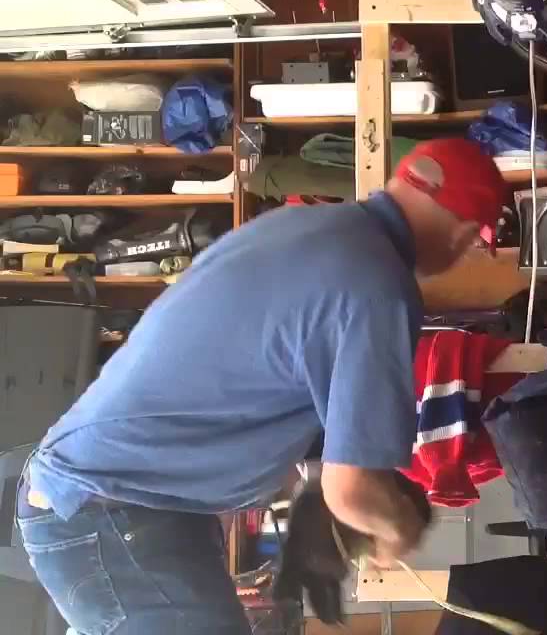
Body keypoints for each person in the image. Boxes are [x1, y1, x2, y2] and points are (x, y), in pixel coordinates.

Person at [17, 138, 509, 635]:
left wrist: (317, 488)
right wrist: (396, 529)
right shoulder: (379, 287)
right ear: (466, 233)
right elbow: (354, 491)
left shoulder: (304, 228)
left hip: (123, 500)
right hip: (108, 507)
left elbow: (262, 385)